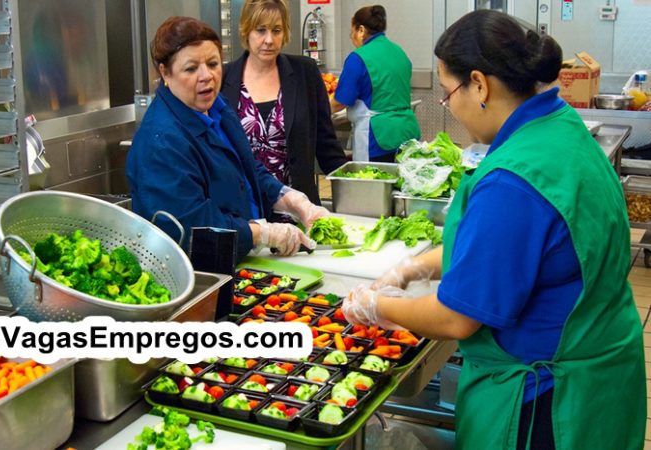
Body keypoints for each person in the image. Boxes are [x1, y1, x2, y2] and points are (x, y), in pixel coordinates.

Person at [342, 10, 645, 450]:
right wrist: (416, 267)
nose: (452, 109)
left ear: (480, 84)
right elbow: (510, 252)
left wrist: (377, 306)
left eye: (448, 95)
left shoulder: (514, 180)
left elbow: (457, 317)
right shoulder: (559, 128)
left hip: (548, 401)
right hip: (603, 374)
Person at [126, 16, 328, 261]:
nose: (207, 76)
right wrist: (261, 233)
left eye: (213, 63)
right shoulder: (161, 142)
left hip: (241, 257)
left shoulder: (215, 107)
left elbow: (246, 168)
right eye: (191, 68)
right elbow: (190, 226)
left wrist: (288, 198)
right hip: (202, 273)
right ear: (165, 73)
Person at [221, 0, 346, 205]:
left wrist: (357, 186)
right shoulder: (224, 79)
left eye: (276, 30)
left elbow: (326, 145)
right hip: (244, 211)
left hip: (298, 209)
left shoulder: (304, 72)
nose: (269, 40)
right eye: (260, 30)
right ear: (246, 31)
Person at [330, 5, 420, 162]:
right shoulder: (399, 52)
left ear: (361, 30)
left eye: (352, 32)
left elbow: (339, 102)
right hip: (407, 133)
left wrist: (316, 111)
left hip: (376, 138)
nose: (352, 37)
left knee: (373, 184)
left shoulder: (358, 58)